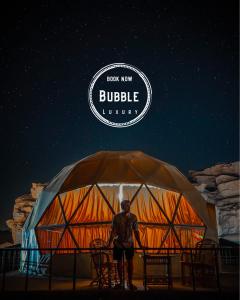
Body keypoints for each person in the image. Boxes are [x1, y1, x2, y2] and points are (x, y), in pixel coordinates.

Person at [107, 199, 143, 290]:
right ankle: (121, 283)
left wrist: (140, 244)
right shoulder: (116, 217)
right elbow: (113, 231)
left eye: (129, 205)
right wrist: (109, 243)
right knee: (119, 262)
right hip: (118, 243)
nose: (128, 207)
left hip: (129, 243)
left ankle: (130, 282)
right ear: (122, 206)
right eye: (126, 205)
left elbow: (136, 231)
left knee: (130, 262)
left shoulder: (133, 217)